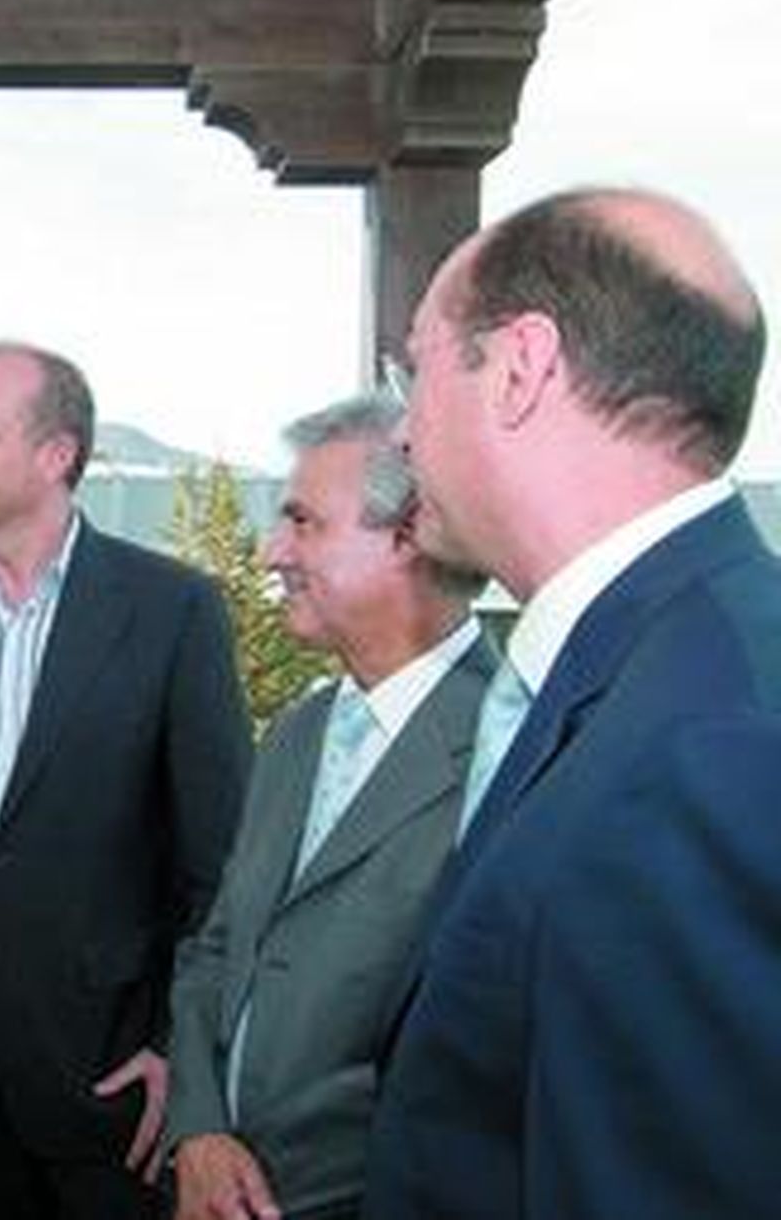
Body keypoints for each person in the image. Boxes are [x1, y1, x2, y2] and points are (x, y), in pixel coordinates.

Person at [365, 187, 781, 1218]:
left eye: (412, 371)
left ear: (520, 368)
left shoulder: (706, 745)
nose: (403, 434)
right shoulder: (678, 656)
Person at [0, 340, 253, 1220]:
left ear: (56, 454)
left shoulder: (173, 609)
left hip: (116, 1082)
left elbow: (217, 862)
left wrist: (180, 1050)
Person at [165, 394, 492, 1220]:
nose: (273, 551)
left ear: (409, 536)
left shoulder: (510, 753)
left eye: (303, 522)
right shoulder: (299, 731)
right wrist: (199, 1131)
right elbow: (218, 949)